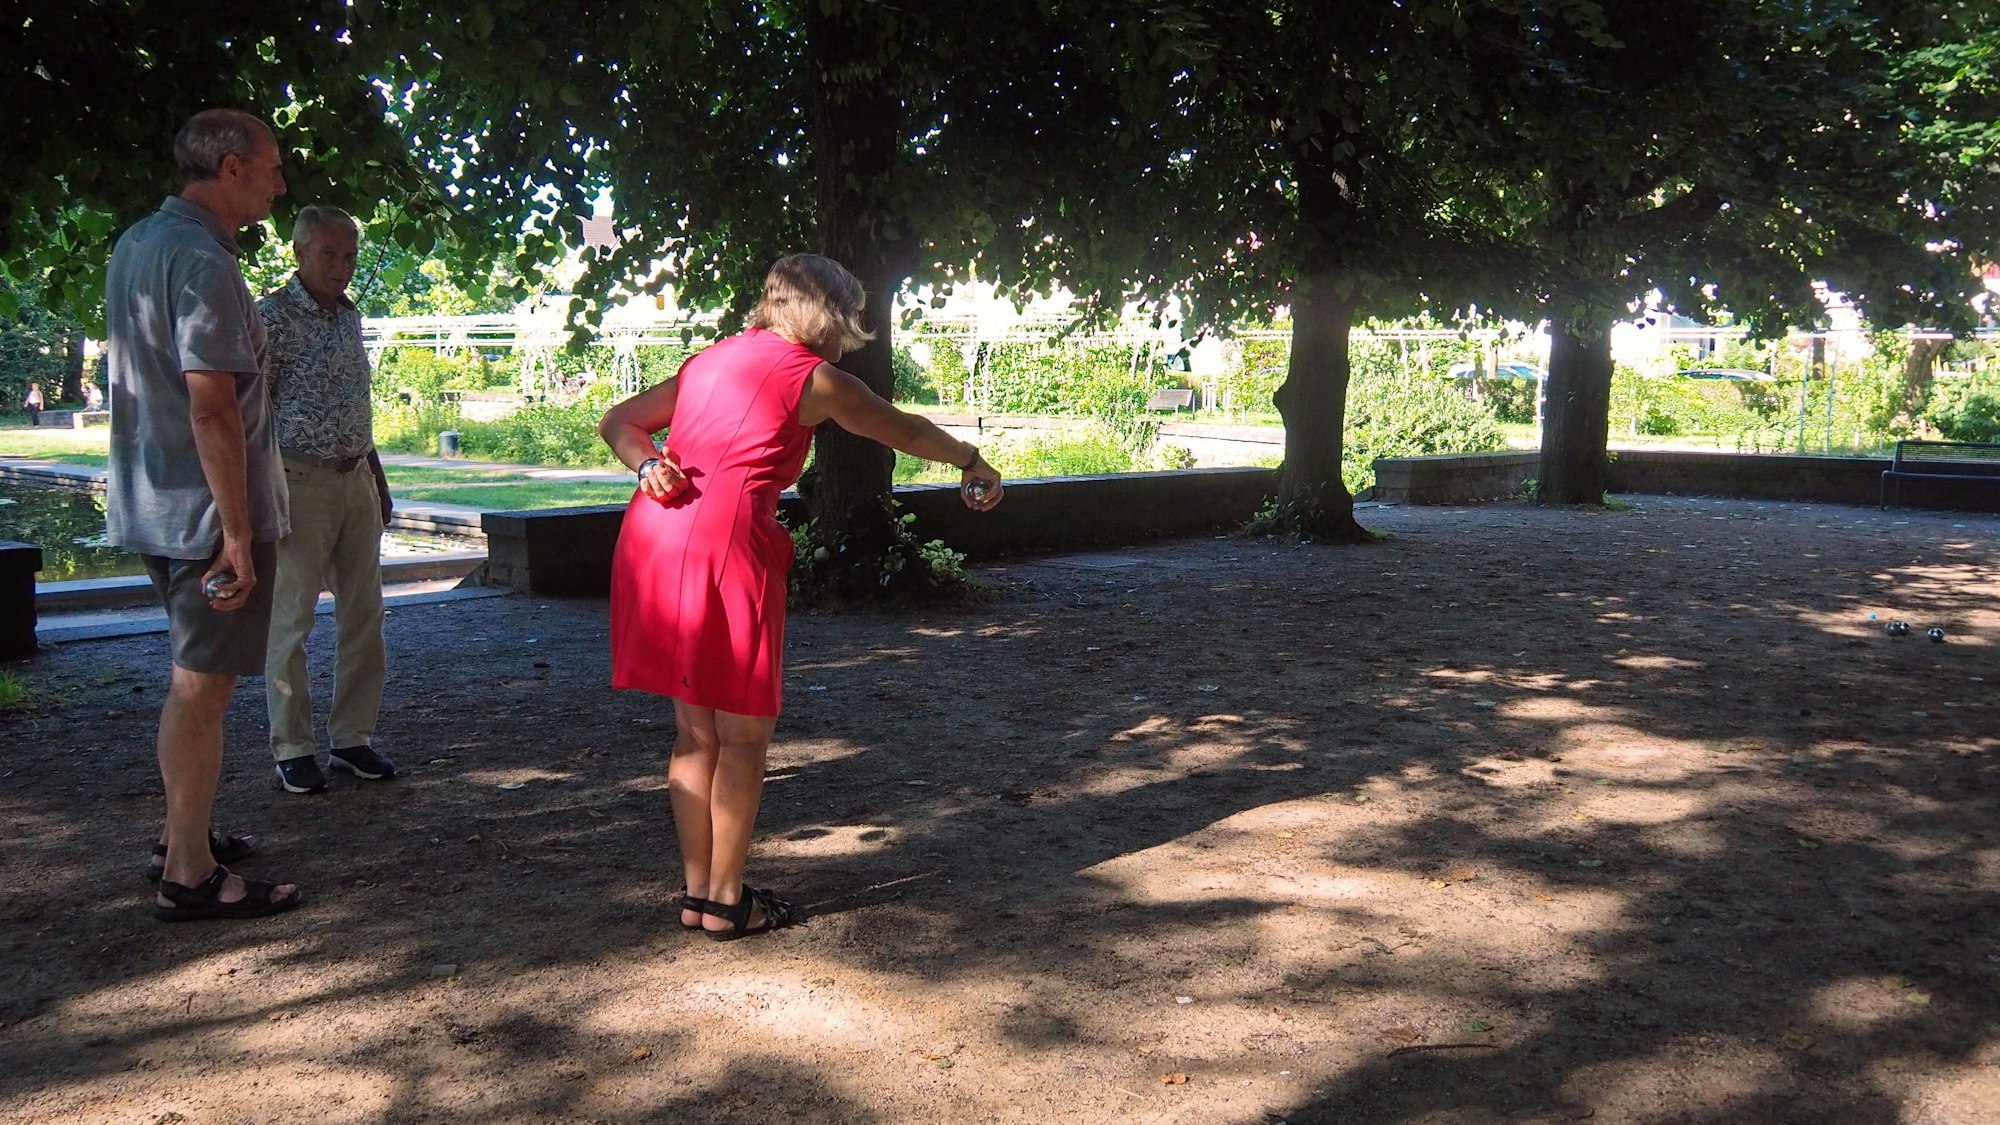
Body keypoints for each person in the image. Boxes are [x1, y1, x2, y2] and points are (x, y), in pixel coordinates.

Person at [597, 254, 1003, 941]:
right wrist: (971, 459)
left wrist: (647, 466)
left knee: (695, 732)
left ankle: (699, 894)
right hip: (725, 543)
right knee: (743, 736)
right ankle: (727, 902)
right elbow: (903, 430)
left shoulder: (710, 360)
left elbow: (620, 421)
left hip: (657, 532)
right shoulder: (813, 378)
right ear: (834, 314)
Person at [104, 108, 302, 921]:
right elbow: (212, 405)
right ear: (230, 168)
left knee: (196, 677)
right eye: (272, 166)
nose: (280, 184)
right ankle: (188, 873)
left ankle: (179, 834)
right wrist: (237, 535)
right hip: (205, 517)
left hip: (156, 499)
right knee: (203, 686)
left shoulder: (139, 243)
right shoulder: (202, 261)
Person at [259, 206, 397, 794]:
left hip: (355, 477)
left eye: (350, 256)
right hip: (297, 481)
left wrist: (377, 479)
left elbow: (355, 406)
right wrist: (261, 497)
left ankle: (352, 738)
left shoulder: (349, 316)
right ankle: (293, 747)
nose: (342, 267)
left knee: (364, 616)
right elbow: (251, 415)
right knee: (290, 619)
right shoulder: (270, 318)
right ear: (299, 253)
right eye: (329, 255)